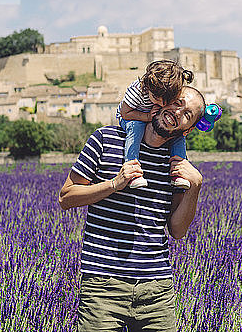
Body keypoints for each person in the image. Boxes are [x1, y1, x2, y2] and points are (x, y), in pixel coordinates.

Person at [58, 86, 206, 332]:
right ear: (163, 100)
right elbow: (66, 197)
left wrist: (195, 187)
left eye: (187, 114)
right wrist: (114, 185)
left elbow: (177, 230)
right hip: (103, 286)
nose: (177, 112)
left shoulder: (177, 165)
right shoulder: (105, 139)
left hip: (157, 289)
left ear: (188, 129)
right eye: (177, 102)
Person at [116, 59, 194, 190]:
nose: (163, 104)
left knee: (178, 135)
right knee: (137, 126)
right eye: (157, 100)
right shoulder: (137, 91)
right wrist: (146, 117)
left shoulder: (167, 90)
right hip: (132, 117)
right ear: (148, 87)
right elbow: (125, 113)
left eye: (168, 101)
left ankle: (178, 172)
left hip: (150, 116)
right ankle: (132, 169)